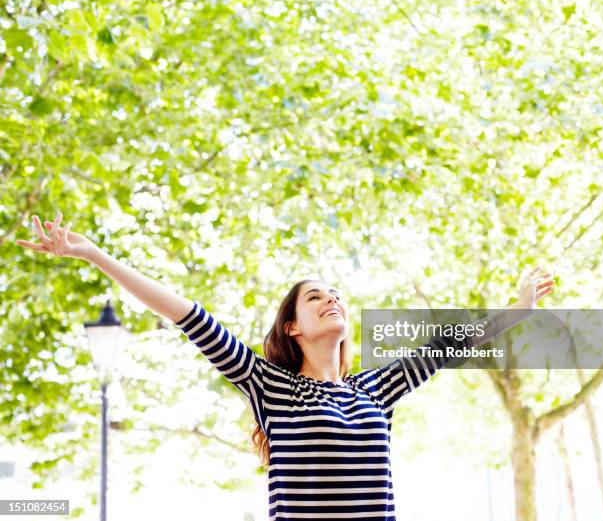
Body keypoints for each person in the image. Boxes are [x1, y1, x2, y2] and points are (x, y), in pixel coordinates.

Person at [16, 211, 555, 520]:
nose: (331, 300)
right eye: (315, 297)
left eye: (337, 295)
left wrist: (520, 308)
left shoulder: (374, 389)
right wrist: (95, 255)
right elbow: (183, 311)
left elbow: (448, 345)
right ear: (292, 325)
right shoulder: (269, 384)